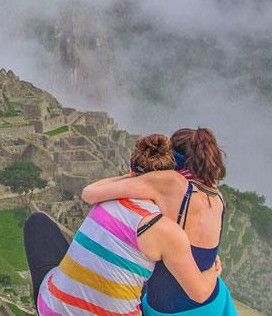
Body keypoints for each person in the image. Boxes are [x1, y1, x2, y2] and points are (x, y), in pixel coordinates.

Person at [24, 134, 221, 316]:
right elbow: (200, 294)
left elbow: (89, 192)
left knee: (38, 223)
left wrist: (136, 178)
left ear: (130, 171)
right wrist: (214, 271)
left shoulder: (106, 199)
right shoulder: (168, 233)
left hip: (54, 310)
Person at [81, 127, 236, 315]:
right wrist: (211, 270)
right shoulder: (216, 196)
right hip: (215, 301)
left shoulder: (171, 182)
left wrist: (132, 177)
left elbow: (90, 194)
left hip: (169, 309)